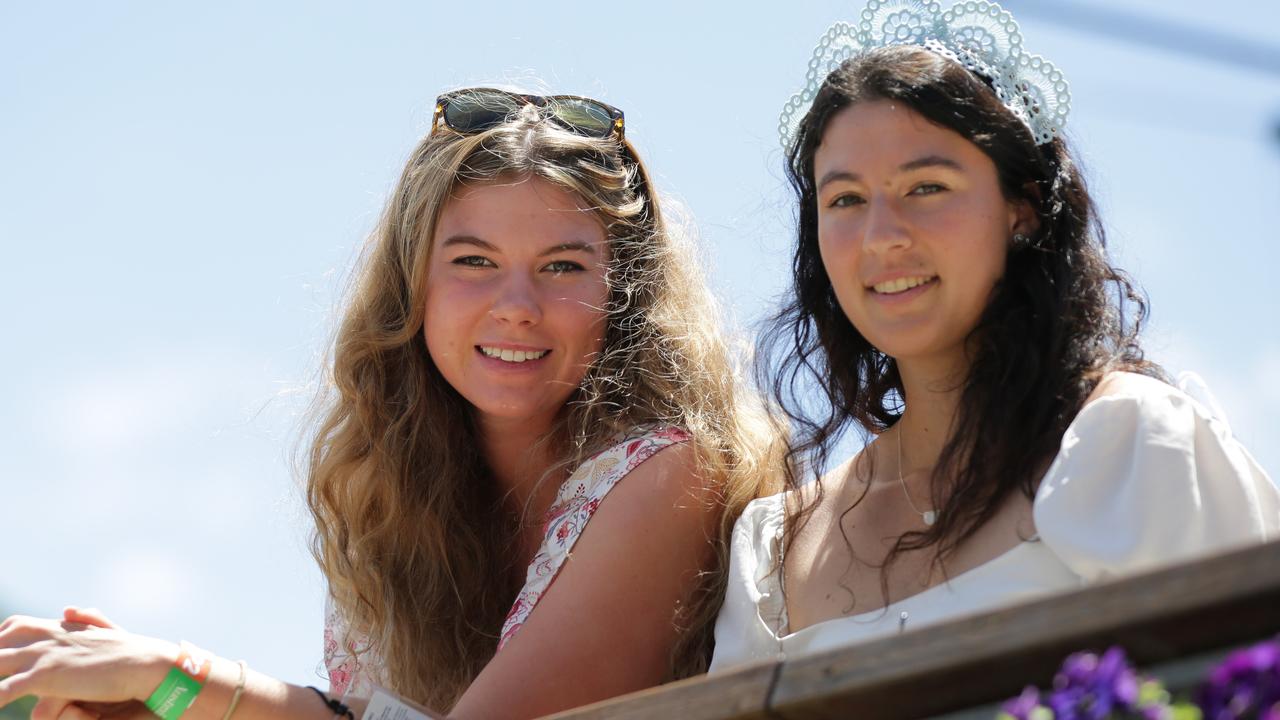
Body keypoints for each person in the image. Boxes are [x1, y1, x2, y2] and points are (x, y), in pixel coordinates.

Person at [0, 87, 778, 718]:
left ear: (626, 296)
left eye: (563, 267)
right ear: (413, 285)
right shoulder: (400, 492)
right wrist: (160, 690)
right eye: (474, 260)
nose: (516, 305)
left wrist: (181, 675)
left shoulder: (671, 474)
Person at [710, 0, 1280, 672]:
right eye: (846, 199)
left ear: (1023, 210)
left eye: (926, 187)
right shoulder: (774, 546)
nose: (881, 235)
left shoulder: (1126, 442)